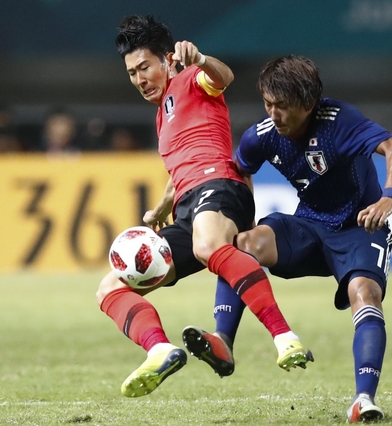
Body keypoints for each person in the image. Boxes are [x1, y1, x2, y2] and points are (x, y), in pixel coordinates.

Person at [96, 15, 312, 398]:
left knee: (208, 244)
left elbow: (223, 76)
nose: (139, 79)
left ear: (167, 59)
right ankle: (158, 349)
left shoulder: (191, 80)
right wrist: (161, 207)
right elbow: (180, 169)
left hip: (222, 187)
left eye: (144, 67)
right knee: (110, 286)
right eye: (131, 73)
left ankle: (284, 336)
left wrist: (200, 58)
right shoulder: (162, 115)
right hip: (187, 209)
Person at [180, 55, 392, 423]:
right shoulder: (262, 136)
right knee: (241, 245)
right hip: (309, 225)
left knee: (365, 295)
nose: (274, 114)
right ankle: (223, 340)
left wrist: (388, 197)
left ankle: (363, 399)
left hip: (359, 229)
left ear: (309, 102)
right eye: (268, 104)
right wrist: (244, 219)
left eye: (282, 106)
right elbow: (240, 169)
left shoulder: (340, 122)